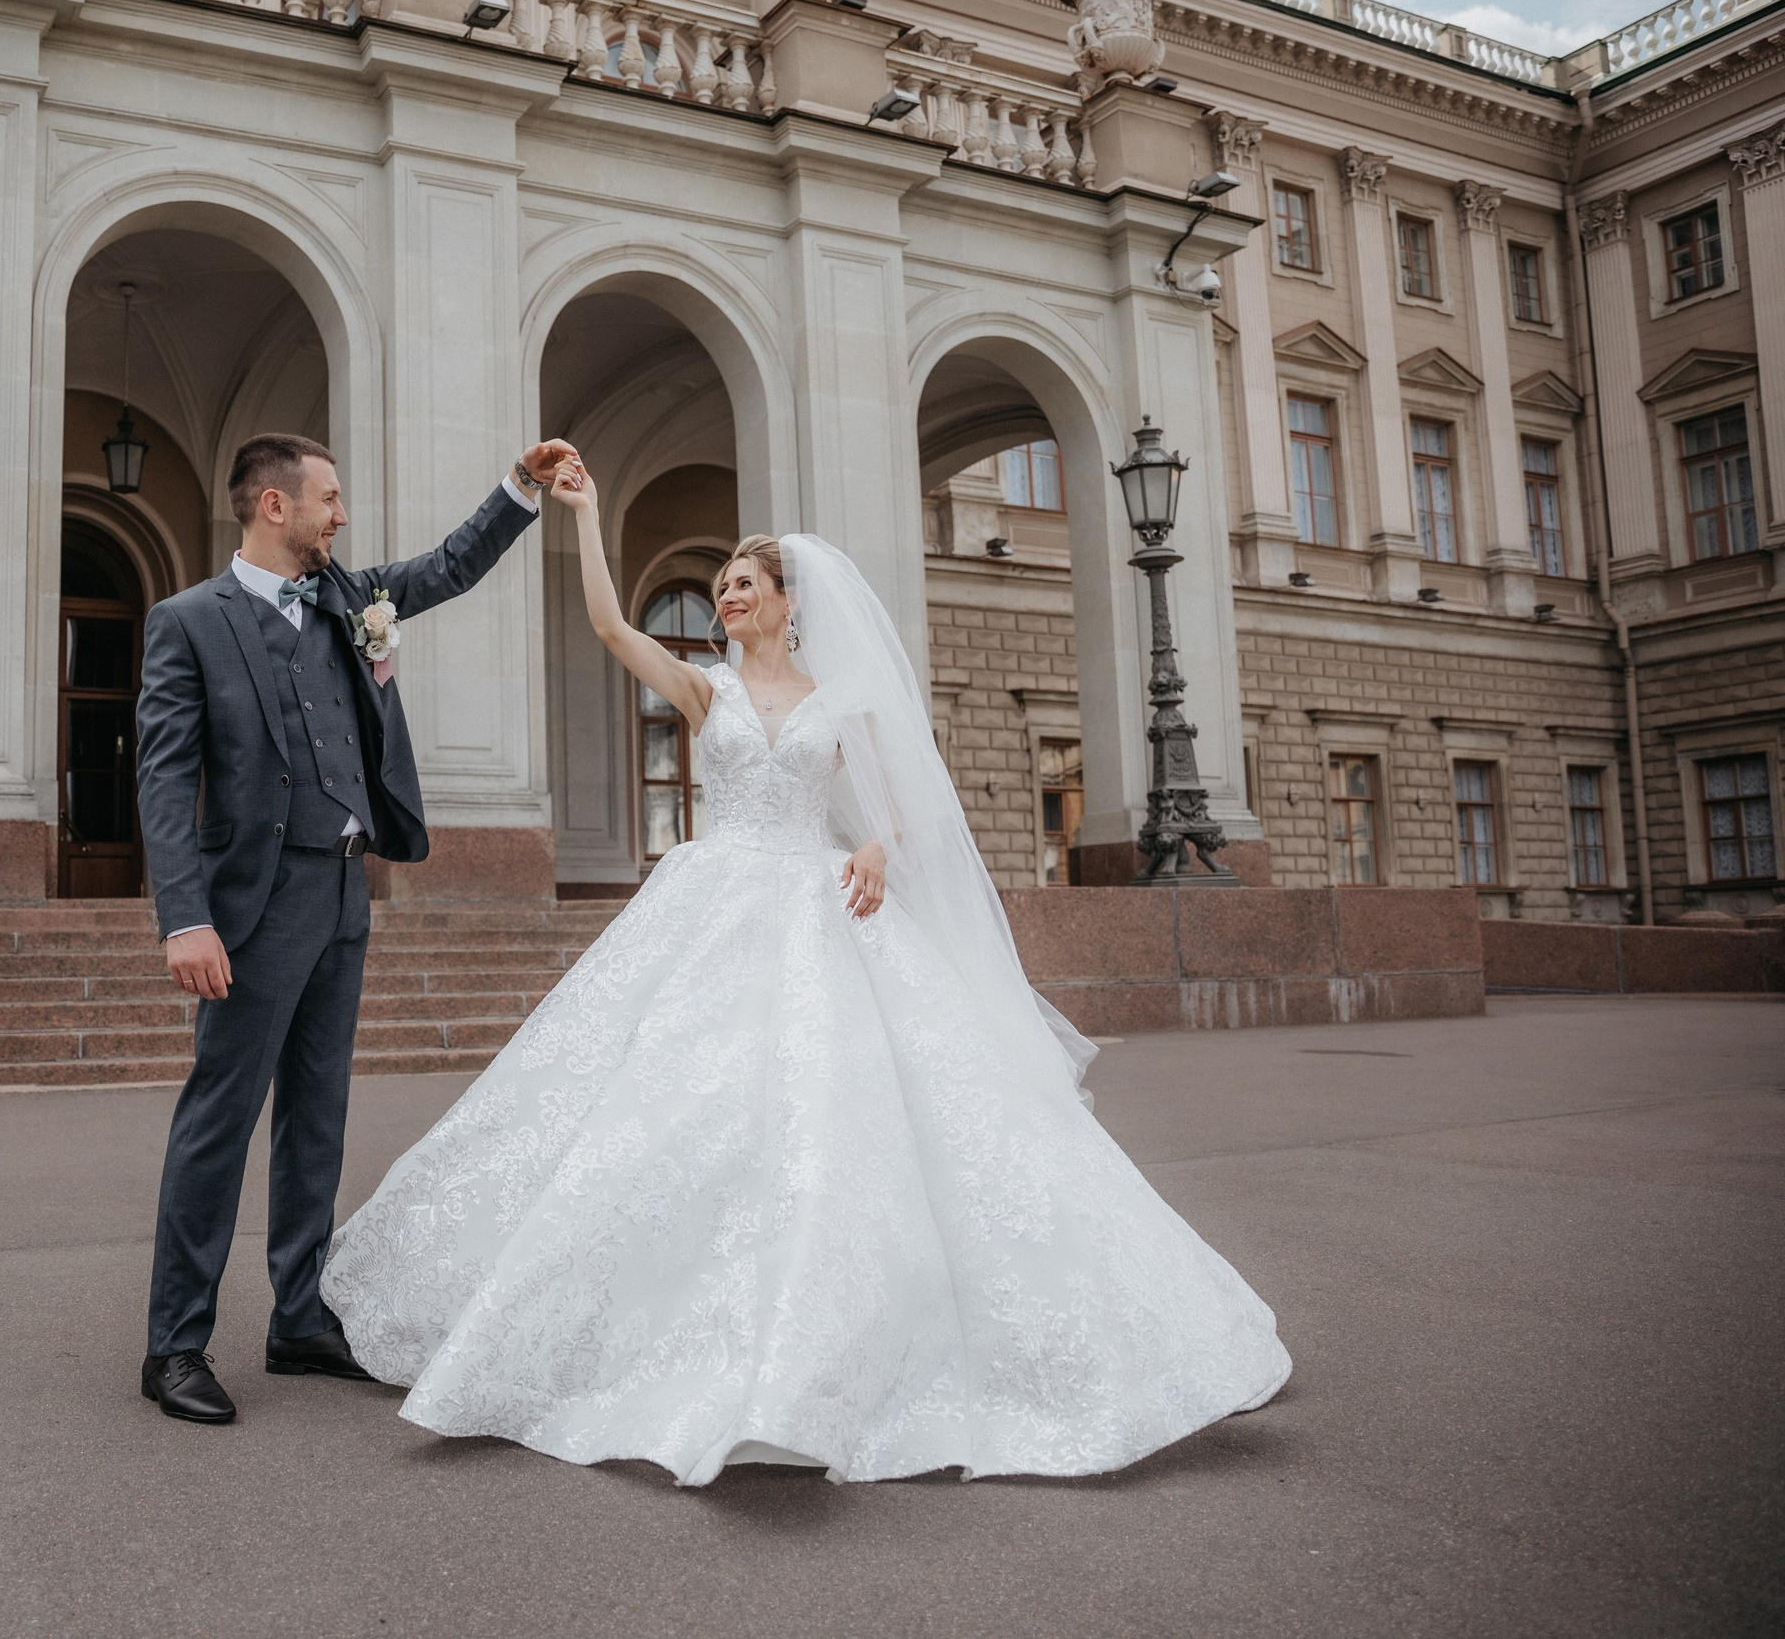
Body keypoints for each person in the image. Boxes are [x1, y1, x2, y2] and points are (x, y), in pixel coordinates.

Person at [318, 458, 1292, 1484]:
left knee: (842, 1120)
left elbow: (905, 801)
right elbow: (610, 629)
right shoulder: (708, 689)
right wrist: (590, 514)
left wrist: (874, 847)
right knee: (668, 1106)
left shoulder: (843, 700)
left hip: (823, 902)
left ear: (788, 604)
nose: (727, 596)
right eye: (723, 585)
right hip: (714, 904)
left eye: (745, 583)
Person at [132, 430, 578, 1426]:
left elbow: (446, 568)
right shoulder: (187, 623)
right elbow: (162, 781)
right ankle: (173, 1345)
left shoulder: (348, 599)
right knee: (218, 1124)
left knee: (317, 1119)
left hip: (341, 896)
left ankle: (299, 1319)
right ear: (273, 508)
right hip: (249, 904)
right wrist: (184, 919)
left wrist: (518, 486)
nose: (343, 516)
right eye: (328, 499)